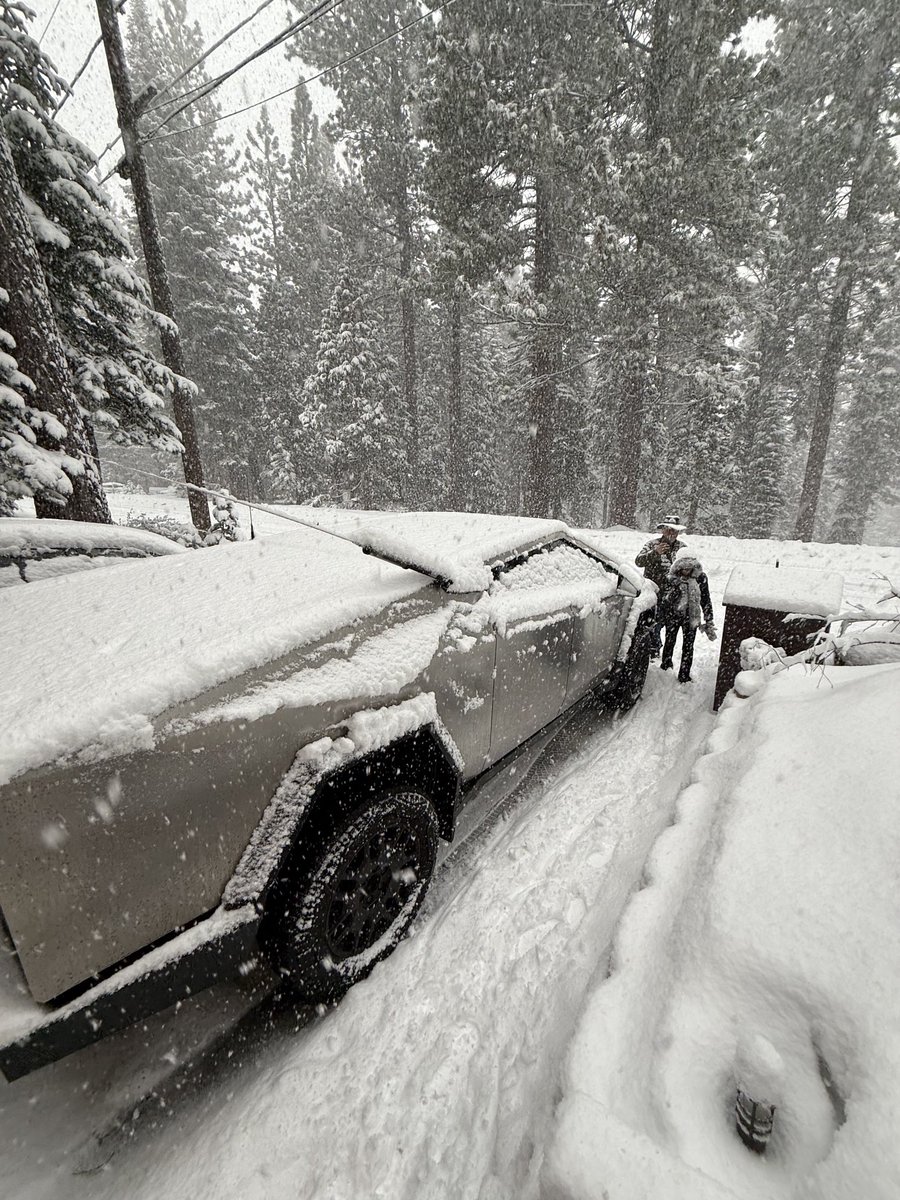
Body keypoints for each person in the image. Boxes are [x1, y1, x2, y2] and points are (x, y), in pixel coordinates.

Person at [657, 555, 716, 683]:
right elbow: (665, 600)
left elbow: (705, 599)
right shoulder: (671, 578)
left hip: (692, 616)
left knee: (689, 646)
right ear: (678, 566)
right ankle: (665, 667)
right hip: (673, 615)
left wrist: (709, 618)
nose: (686, 570)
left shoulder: (701, 578)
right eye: (683, 567)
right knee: (670, 641)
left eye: (689, 567)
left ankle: (684, 674)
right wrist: (676, 590)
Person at [635, 515, 687, 656]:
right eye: (668, 530)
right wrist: (655, 553)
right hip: (653, 592)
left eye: (674, 531)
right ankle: (653, 649)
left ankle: (666, 658)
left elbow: (689, 568)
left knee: (671, 626)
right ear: (663, 530)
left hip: (674, 594)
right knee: (652, 624)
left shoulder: (682, 548)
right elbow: (638, 561)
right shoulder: (651, 544)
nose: (671, 533)